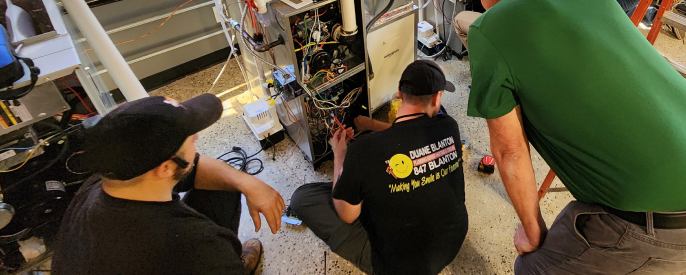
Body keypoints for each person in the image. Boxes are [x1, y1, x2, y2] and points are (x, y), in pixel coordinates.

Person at [467, 0, 686, 275]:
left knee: (533, 267)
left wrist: (533, 230)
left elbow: (509, 152)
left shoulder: (489, 27)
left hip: (672, 225)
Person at [52, 94, 286, 275]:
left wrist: (247, 182)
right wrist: (218, 262)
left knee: (223, 186)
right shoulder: (192, 246)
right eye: (190, 136)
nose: (196, 137)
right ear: (165, 168)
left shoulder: (107, 179)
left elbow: (195, 166)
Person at [290, 60, 468, 275]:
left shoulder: (363, 151)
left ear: (400, 95)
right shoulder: (449, 127)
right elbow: (407, 133)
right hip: (451, 244)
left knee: (303, 197)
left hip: (400, 267)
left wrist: (339, 155)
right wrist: (370, 125)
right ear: (438, 98)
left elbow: (347, 216)